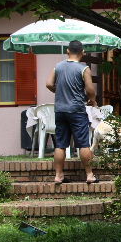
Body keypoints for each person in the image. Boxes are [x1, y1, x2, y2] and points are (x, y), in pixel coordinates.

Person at [46, 40, 98, 184]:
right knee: (83, 144)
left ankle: (58, 176)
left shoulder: (58, 66)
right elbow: (90, 89)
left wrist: (59, 91)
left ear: (67, 51)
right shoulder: (83, 68)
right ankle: (89, 175)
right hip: (76, 110)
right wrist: (92, 99)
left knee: (60, 144)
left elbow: (49, 84)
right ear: (83, 53)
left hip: (60, 110)